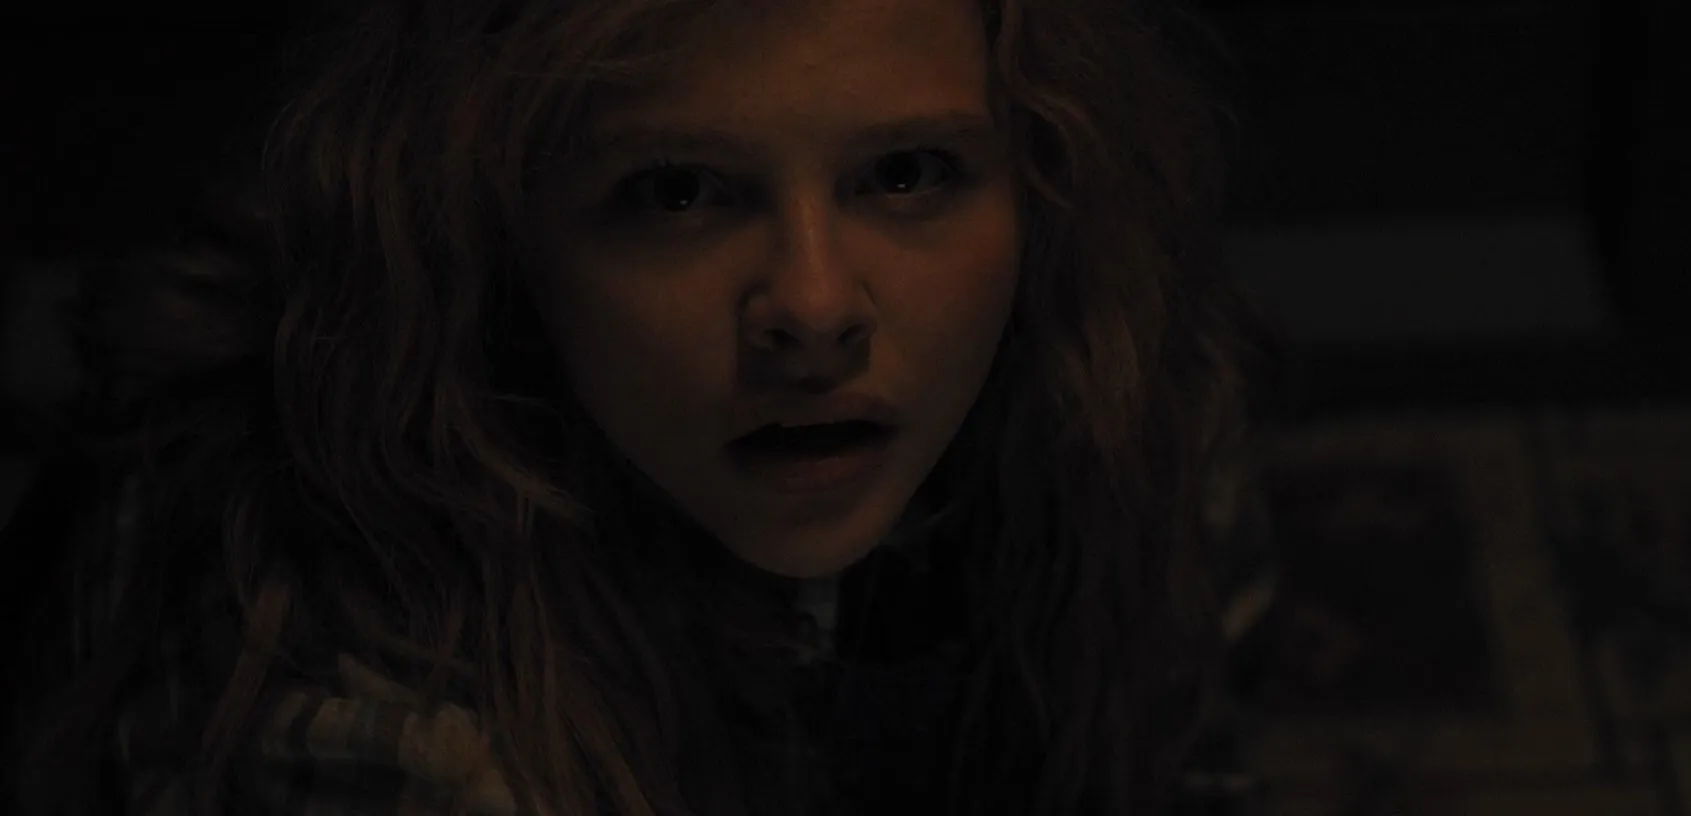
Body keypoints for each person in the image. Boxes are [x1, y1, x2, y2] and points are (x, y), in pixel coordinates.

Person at [5, 0, 1280, 813]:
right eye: (677, 192)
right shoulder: (346, 670)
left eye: (906, 173)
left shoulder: (1126, 407)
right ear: (496, 240)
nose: (815, 307)